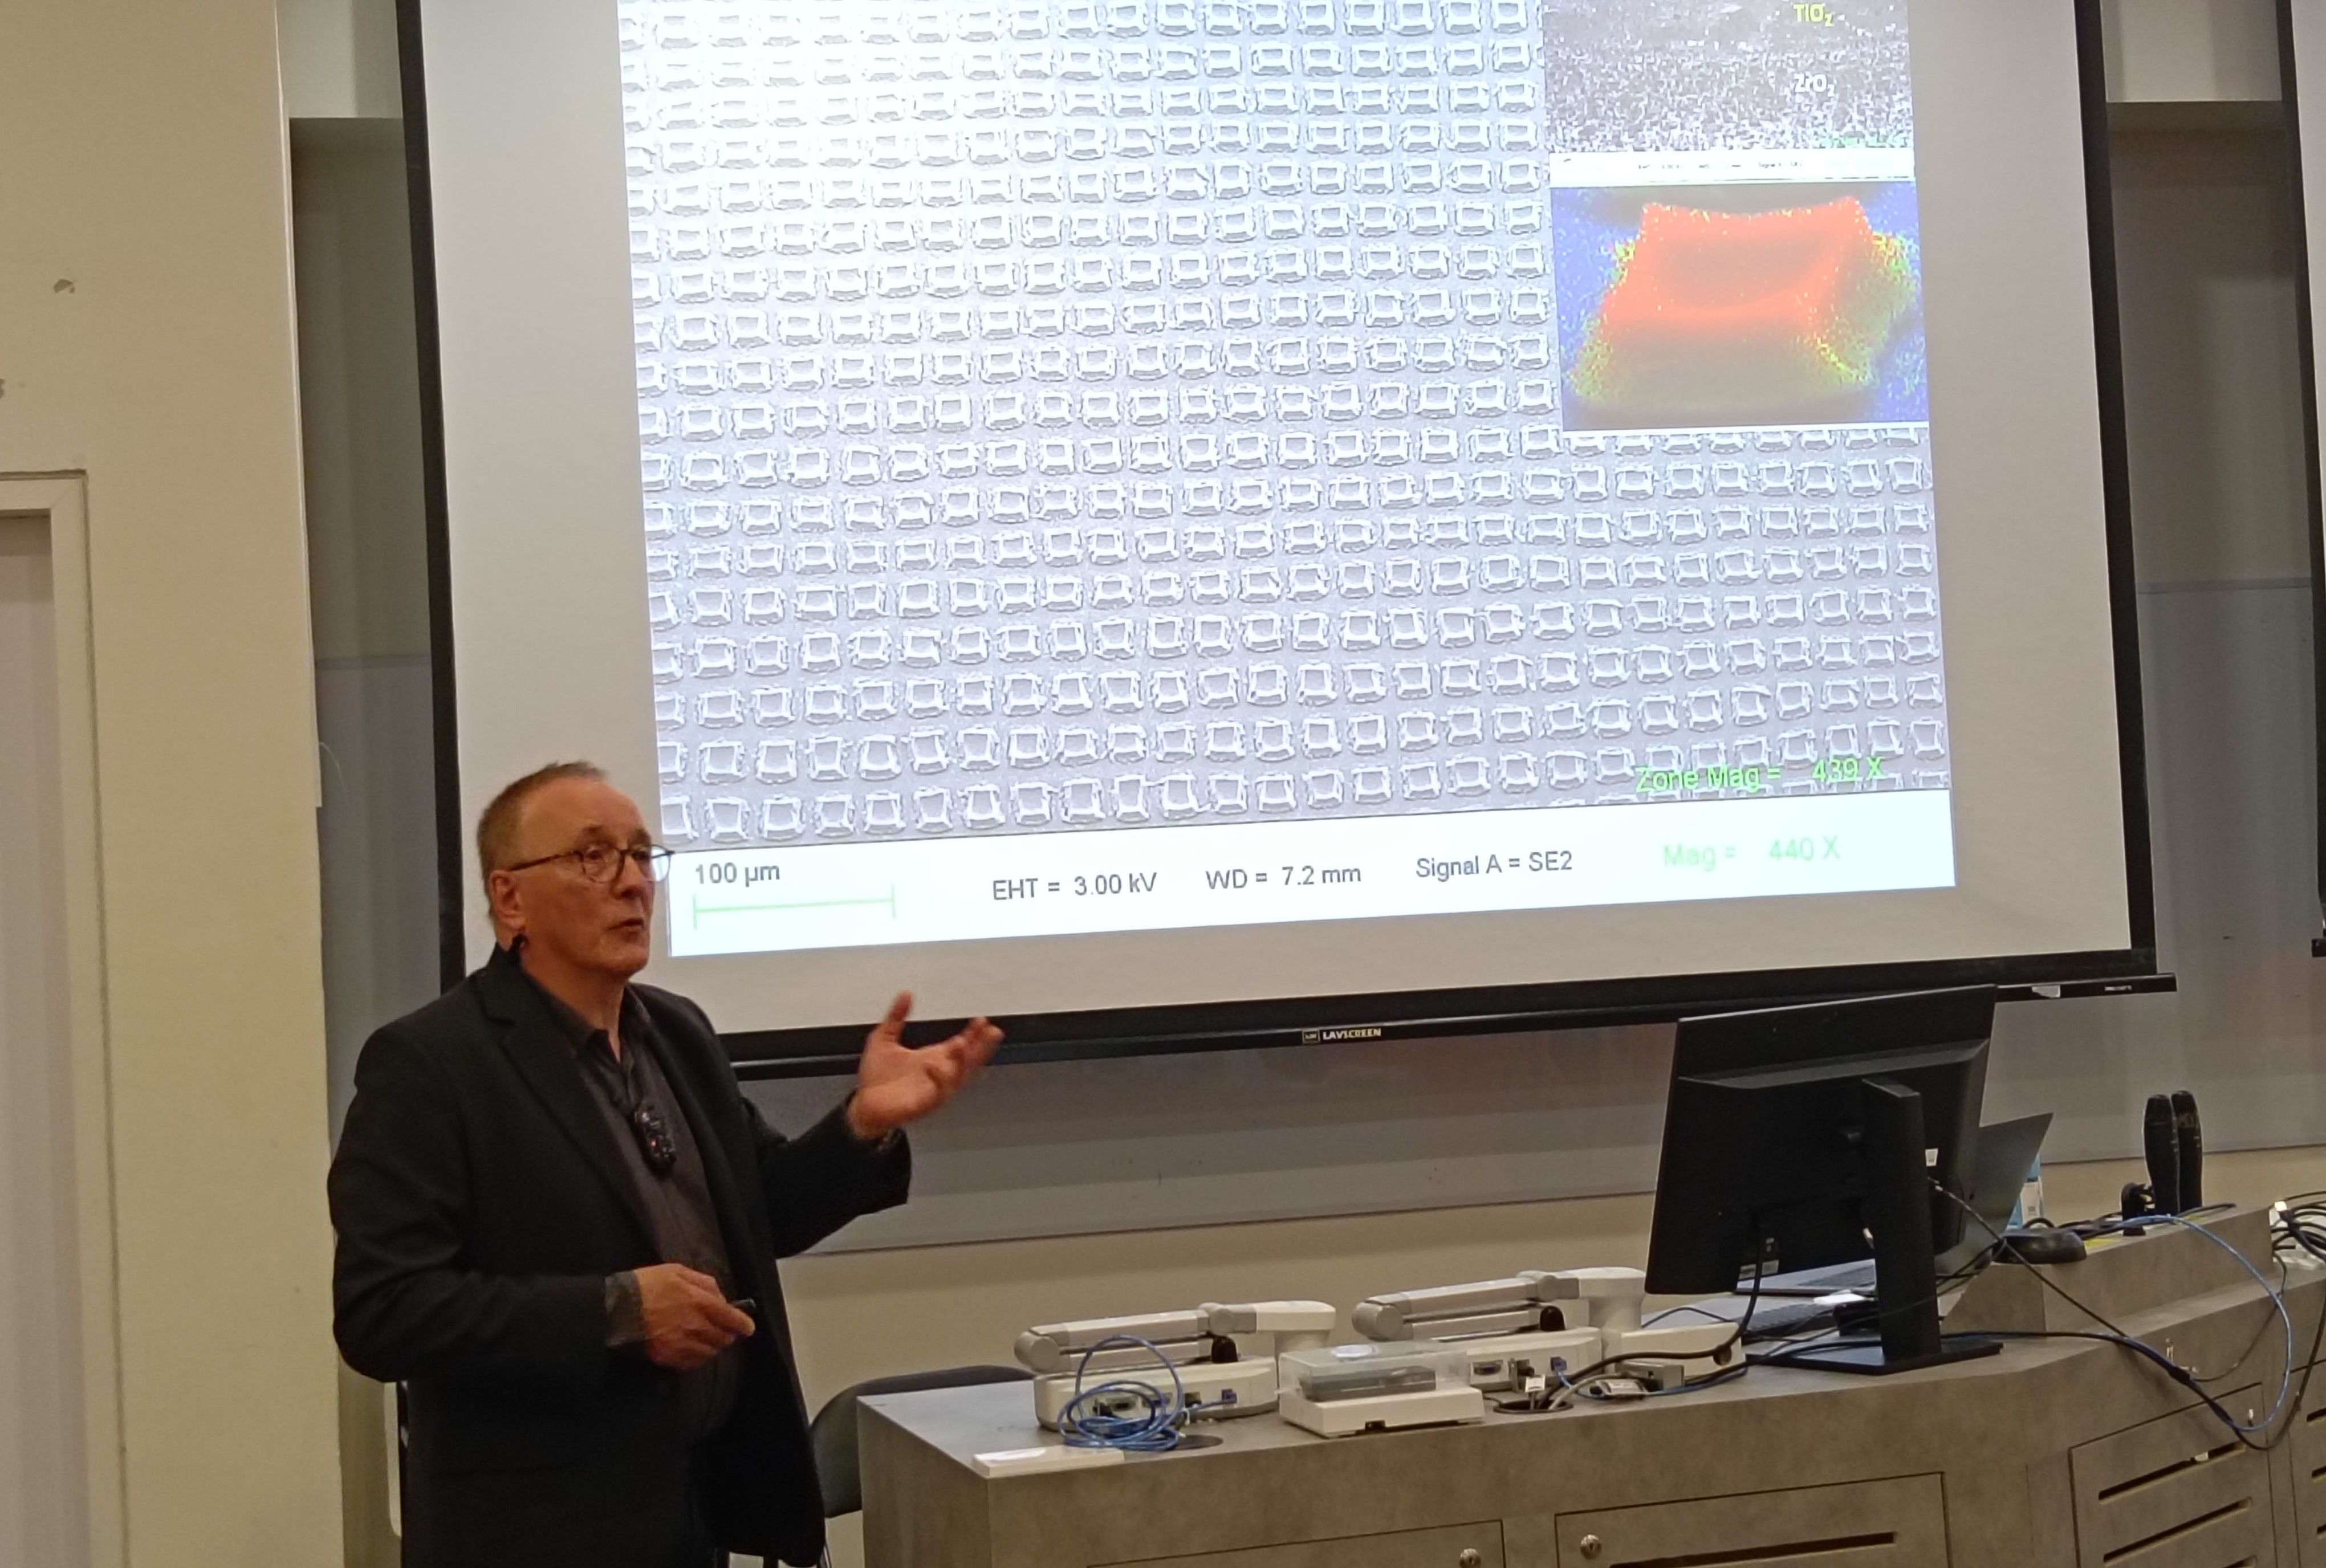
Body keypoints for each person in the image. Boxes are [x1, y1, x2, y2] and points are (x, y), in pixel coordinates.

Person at [329, 762, 1001, 1568]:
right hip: (537, 1534)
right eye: (593, 856)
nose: (632, 883)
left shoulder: (678, 1034)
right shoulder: (433, 1065)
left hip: (693, 1514)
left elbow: (761, 1213)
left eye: (642, 856)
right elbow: (383, 1312)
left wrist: (862, 1125)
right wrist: (616, 1312)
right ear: (510, 900)